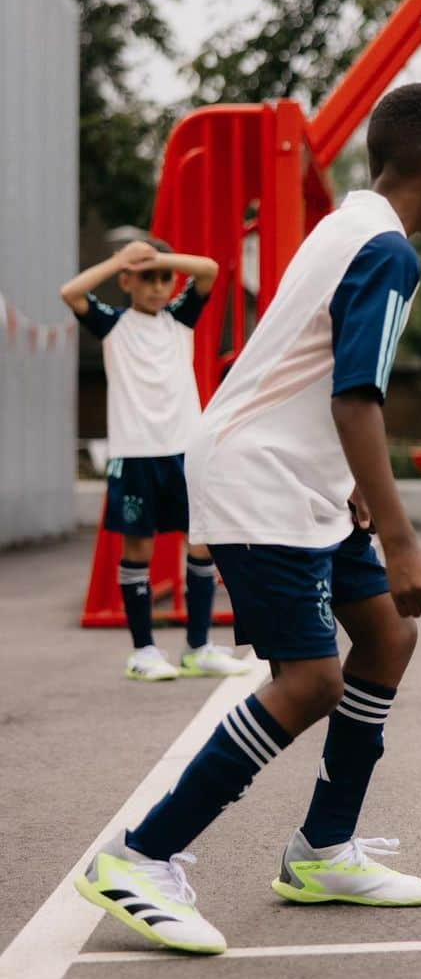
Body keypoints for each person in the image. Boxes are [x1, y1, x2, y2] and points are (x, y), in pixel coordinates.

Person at [75, 83, 421, 953]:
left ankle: (322, 850)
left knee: (387, 638)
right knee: (310, 681)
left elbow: (312, 367)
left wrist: (355, 487)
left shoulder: (349, 226)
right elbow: (356, 397)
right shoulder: (385, 249)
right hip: (259, 477)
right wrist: (403, 542)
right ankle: (142, 857)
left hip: (303, 478)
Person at [60, 238, 249, 681]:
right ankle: (143, 650)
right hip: (136, 455)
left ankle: (197, 647)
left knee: (201, 543)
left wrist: (158, 258)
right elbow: (70, 294)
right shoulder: (114, 324)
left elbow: (207, 269)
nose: (158, 284)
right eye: (146, 277)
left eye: (164, 277)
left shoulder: (179, 319)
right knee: (139, 550)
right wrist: (118, 261)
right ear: (126, 281)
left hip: (185, 451)